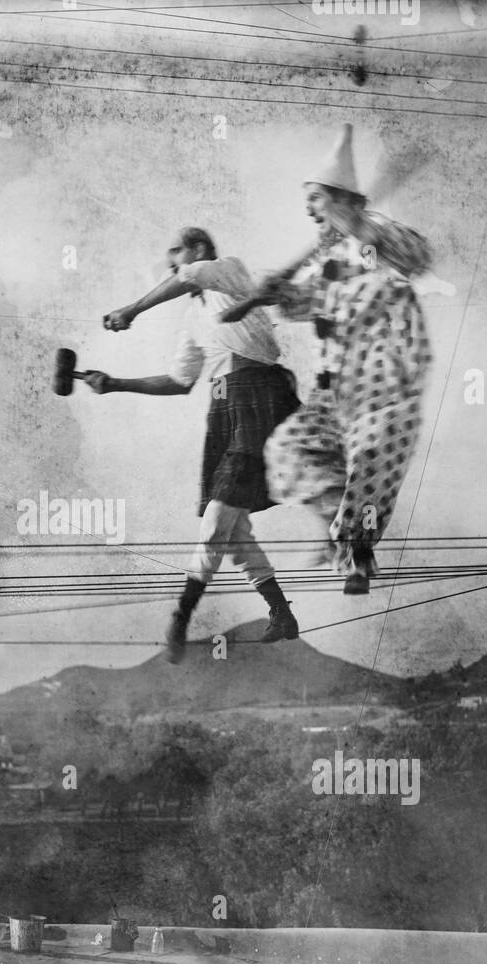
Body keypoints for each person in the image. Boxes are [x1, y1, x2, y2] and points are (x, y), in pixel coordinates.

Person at [222, 124, 433, 595]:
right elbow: (303, 301)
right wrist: (275, 291)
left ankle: (354, 550)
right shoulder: (325, 261)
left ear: (343, 201)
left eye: (316, 199)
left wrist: (358, 224)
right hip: (332, 394)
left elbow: (418, 256)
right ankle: (343, 536)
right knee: (287, 450)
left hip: (381, 390)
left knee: (372, 460)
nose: (309, 210)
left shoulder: (379, 240)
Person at [90, 227, 301, 664]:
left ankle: (181, 617)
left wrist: (132, 309)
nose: (172, 263)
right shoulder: (194, 316)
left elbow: (186, 277)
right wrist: (114, 384)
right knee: (233, 529)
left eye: (177, 253)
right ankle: (281, 613)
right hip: (224, 409)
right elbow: (180, 380)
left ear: (199, 250)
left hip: (258, 395)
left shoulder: (227, 271)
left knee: (217, 520)